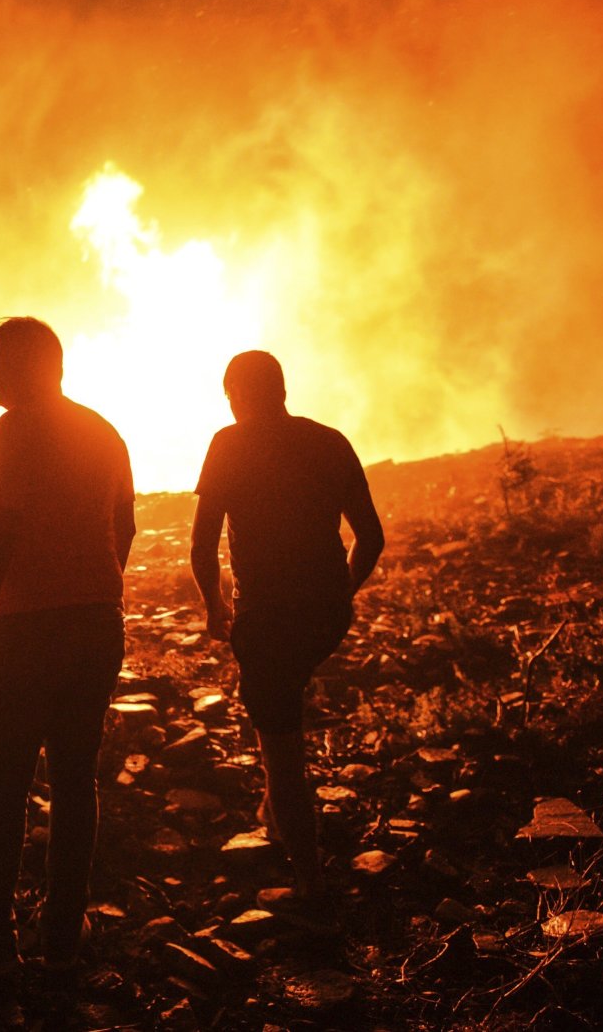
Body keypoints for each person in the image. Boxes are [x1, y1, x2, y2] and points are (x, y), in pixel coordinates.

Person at [0, 316, 136, 975]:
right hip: (94, 625)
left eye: (4, 361)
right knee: (75, 780)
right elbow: (126, 525)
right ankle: (63, 932)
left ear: (42, 365)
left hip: (27, 630)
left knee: (2, 784)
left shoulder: (15, 430)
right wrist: (95, 585)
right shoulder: (103, 433)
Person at [190, 350, 383, 905]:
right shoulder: (330, 440)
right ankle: (275, 815)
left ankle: (311, 885)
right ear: (280, 388)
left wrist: (214, 607)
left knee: (281, 745)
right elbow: (370, 538)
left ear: (235, 393)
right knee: (282, 698)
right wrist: (339, 594)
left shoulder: (228, 444)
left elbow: (202, 545)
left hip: (266, 618)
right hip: (324, 615)